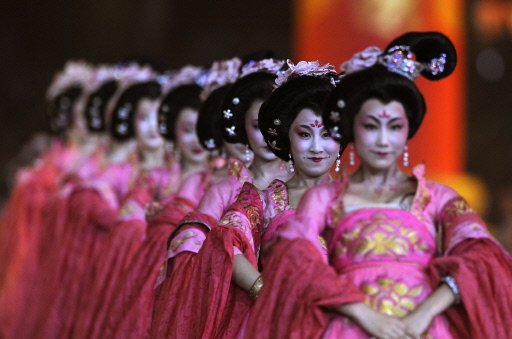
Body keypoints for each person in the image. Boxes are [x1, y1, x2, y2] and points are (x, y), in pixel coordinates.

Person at [246, 32, 512, 339]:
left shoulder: (438, 197)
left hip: (423, 330)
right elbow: (294, 258)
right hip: (348, 328)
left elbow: (483, 256)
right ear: (350, 128)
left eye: (394, 126)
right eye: (371, 126)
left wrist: (424, 313)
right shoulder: (324, 198)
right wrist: (363, 314)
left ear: (408, 130)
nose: (383, 140)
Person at [152, 59, 342, 339]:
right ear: (286, 137)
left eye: (326, 134)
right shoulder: (262, 200)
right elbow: (223, 242)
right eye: (304, 134)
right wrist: (263, 290)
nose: (316, 147)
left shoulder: (354, 201)